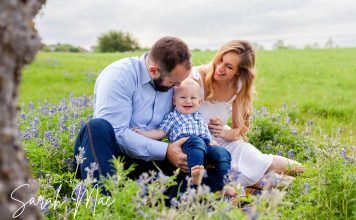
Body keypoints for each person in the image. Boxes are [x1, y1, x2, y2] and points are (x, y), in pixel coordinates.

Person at [73, 36, 192, 197]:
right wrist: (166, 151)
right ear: (153, 71)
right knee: (97, 127)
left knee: (195, 164)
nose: (178, 87)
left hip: (146, 159)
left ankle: (159, 201)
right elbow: (117, 132)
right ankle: (104, 203)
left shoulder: (174, 80)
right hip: (108, 158)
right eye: (173, 82)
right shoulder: (120, 75)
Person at [192, 40, 304, 190]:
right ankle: (302, 187)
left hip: (223, 141)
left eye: (229, 67)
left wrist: (226, 133)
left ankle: (315, 175)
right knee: (257, 178)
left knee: (264, 162)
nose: (220, 68)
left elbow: (239, 130)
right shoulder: (195, 77)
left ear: (239, 72)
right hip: (200, 146)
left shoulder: (237, 86)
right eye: (220, 60)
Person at [134, 78, 235, 195]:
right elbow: (159, 132)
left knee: (223, 153)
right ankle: (196, 173)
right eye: (183, 97)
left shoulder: (199, 116)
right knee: (196, 141)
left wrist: (212, 141)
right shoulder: (173, 116)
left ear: (200, 102)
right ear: (174, 100)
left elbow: (205, 132)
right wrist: (142, 133)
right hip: (186, 144)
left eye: (193, 98)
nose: (188, 101)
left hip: (205, 144)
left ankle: (220, 185)